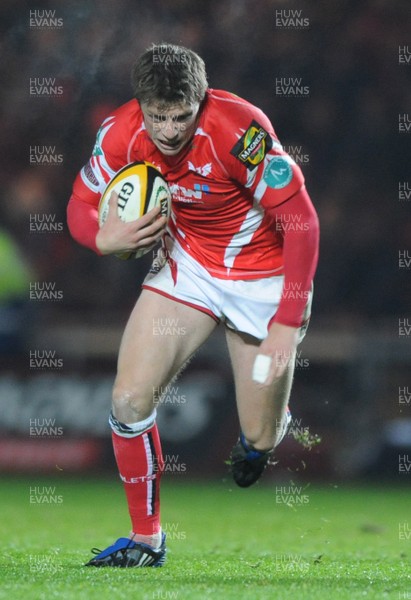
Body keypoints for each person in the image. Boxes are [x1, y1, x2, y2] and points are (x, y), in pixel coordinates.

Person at [67, 43, 319, 568]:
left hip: (264, 283)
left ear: (200, 102)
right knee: (129, 400)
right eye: (158, 116)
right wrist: (101, 239)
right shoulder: (120, 133)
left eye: (181, 116)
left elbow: (303, 222)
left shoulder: (239, 131)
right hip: (187, 268)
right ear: (142, 106)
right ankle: (146, 540)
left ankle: (265, 431)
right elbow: (79, 205)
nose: (169, 130)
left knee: (259, 434)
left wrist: (286, 322)